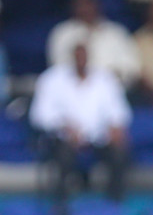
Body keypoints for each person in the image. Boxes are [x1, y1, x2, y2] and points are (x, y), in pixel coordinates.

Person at [30, 43, 131, 198]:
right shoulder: (52, 79)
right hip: (64, 139)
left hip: (99, 138)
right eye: (77, 55)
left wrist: (115, 127)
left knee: (119, 152)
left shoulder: (105, 79)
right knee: (64, 154)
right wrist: (63, 126)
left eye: (84, 55)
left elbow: (119, 111)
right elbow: (39, 115)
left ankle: (114, 202)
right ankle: (61, 205)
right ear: (71, 57)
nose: (81, 59)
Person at [47, 0, 139, 84]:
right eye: (80, 5)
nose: (85, 9)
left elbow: (131, 68)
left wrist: (108, 78)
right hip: (73, 91)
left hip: (112, 90)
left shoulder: (116, 32)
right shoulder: (62, 33)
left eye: (88, 4)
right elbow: (57, 68)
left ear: (98, 5)